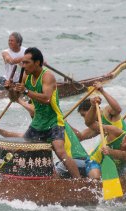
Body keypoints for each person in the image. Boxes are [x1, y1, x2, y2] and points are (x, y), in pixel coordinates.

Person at [9, 47, 80, 178]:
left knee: (60, 151)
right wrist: (10, 89)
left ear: (37, 63)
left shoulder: (47, 76)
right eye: (22, 63)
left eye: (26, 63)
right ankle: (50, 180)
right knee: (25, 150)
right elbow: (14, 98)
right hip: (38, 121)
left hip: (54, 120)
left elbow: (46, 98)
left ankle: (79, 181)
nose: (23, 66)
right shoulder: (25, 76)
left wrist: (25, 91)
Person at [85, 96, 126, 178]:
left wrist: (111, 152)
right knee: (96, 178)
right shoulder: (114, 131)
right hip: (96, 161)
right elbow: (89, 123)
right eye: (125, 139)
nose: (125, 144)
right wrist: (92, 106)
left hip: (117, 168)